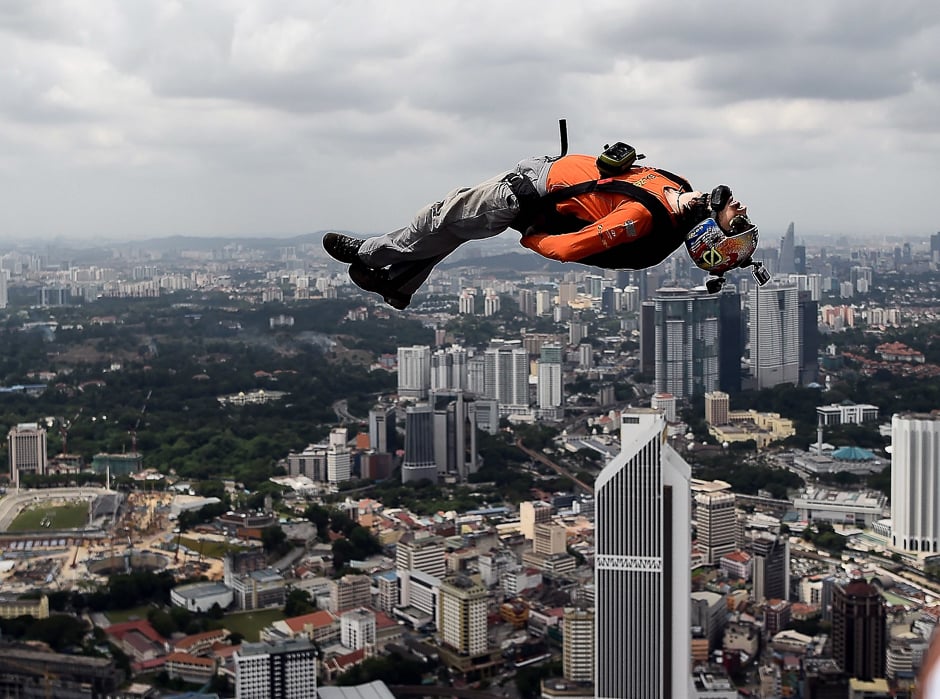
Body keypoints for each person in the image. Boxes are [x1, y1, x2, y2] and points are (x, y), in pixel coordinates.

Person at [323, 147, 763, 309]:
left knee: (438, 218)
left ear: (712, 233)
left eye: (737, 221)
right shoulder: (680, 187)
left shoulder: (642, 219)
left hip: (524, 195)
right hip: (540, 176)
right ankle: (399, 284)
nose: (739, 208)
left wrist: (532, 235)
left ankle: (370, 253)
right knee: (451, 230)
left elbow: (570, 248)